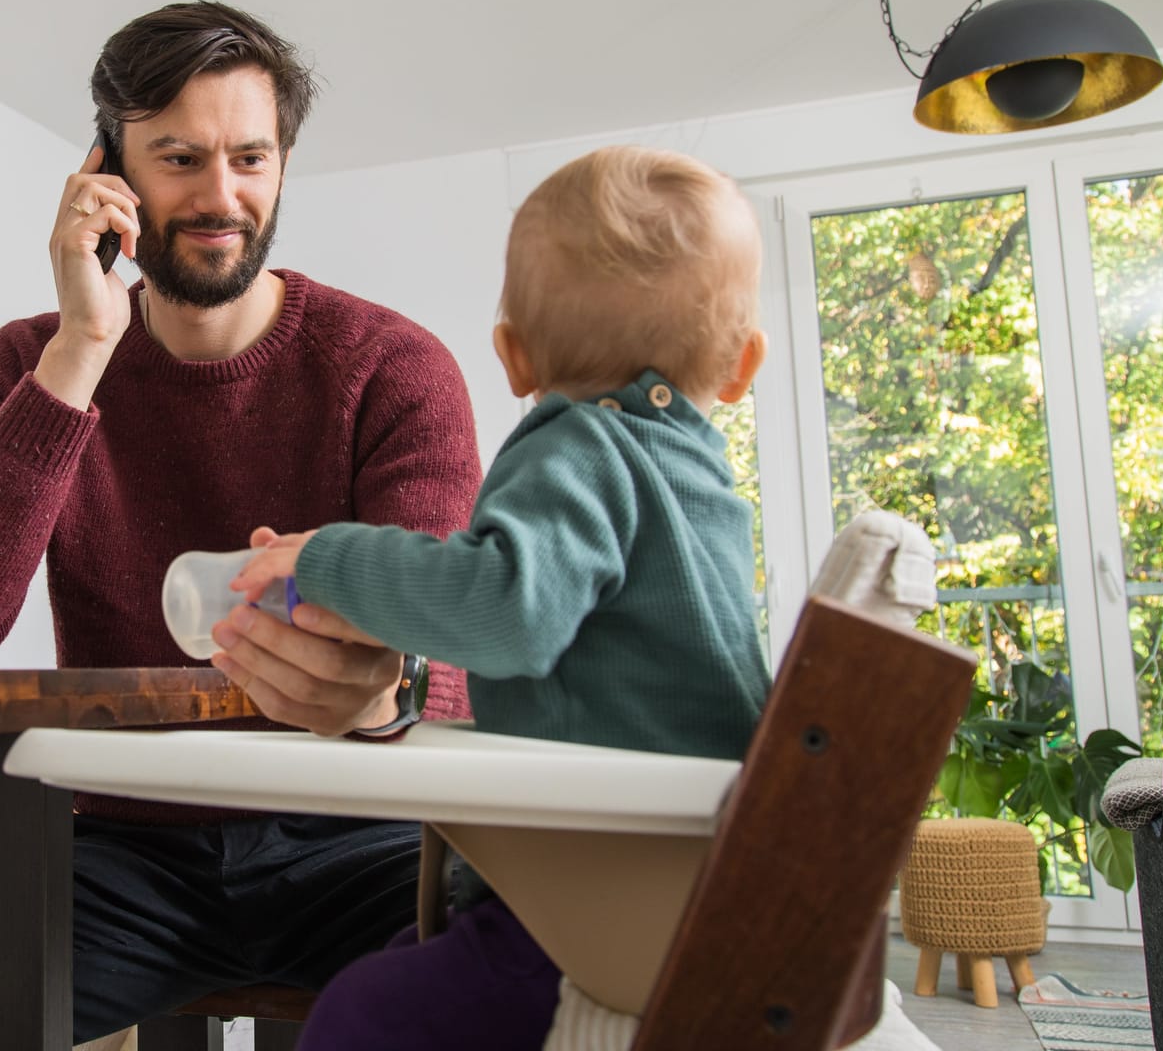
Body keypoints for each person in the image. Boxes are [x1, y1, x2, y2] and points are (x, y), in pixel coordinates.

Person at [0, 0, 483, 1050]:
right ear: (108, 170)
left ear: (284, 161)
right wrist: (80, 348)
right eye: (180, 158)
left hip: (361, 832)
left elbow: (449, 656)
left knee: (549, 971)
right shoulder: (33, 360)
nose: (220, 195)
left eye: (250, 156)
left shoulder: (393, 366)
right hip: (123, 849)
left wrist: (386, 687)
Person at [227, 143, 774, 1050]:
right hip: (691, 876)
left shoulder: (582, 451)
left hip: (608, 905)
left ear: (513, 358)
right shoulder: (701, 480)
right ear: (742, 367)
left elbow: (506, 609)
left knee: (359, 1016)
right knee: (407, 957)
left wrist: (331, 558)